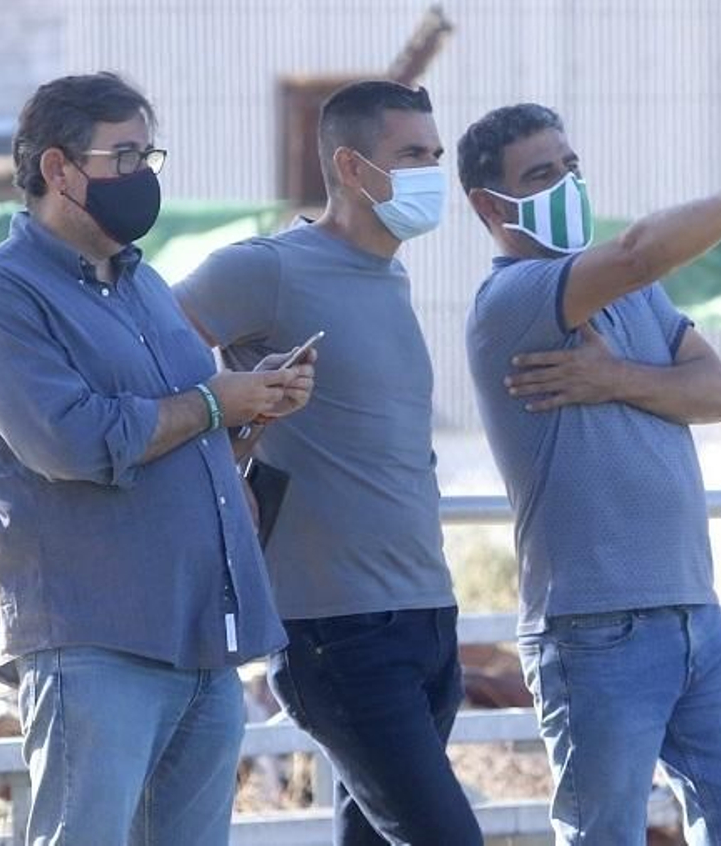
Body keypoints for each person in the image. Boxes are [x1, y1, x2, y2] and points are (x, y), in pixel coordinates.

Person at [458, 101, 721, 844]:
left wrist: (615, 378)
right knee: (604, 833)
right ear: (489, 204)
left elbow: (716, 393)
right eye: (541, 175)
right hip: (594, 630)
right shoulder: (509, 302)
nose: (568, 185)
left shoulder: (632, 295)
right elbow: (640, 249)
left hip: (692, 613)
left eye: (570, 167)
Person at [0, 73, 313, 845]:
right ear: (57, 169)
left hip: (205, 643)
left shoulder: (144, 286)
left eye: (150, 155)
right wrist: (217, 402)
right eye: (125, 155)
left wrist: (252, 411)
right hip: (96, 642)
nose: (143, 176)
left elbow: (186, 435)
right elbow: (71, 442)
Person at [174, 80, 482, 846]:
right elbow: (145, 351)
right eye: (412, 155)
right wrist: (231, 427)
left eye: (436, 155)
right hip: (337, 631)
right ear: (350, 166)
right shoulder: (269, 268)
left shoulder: (393, 275)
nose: (432, 172)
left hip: (424, 615)